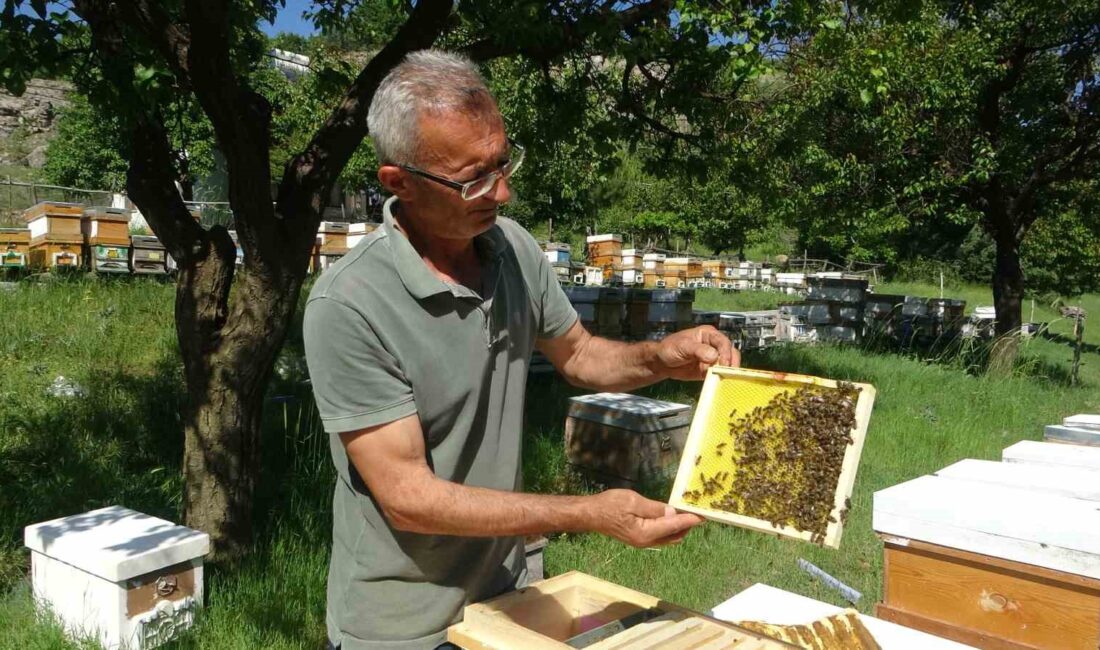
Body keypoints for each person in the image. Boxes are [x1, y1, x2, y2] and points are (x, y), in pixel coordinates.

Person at [303, 49, 738, 650]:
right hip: (401, 623)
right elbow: (408, 498)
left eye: (504, 165)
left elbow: (580, 354)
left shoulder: (513, 249)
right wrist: (587, 513)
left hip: (505, 594)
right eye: (474, 178)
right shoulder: (348, 306)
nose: (502, 193)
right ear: (398, 181)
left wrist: (659, 356)